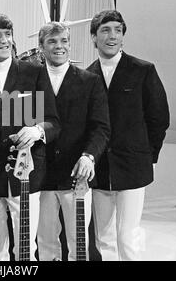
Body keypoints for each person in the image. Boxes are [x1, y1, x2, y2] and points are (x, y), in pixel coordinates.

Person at [86, 10, 170, 261]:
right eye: (105, 30)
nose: (112, 36)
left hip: (133, 166)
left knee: (127, 237)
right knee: (103, 238)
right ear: (94, 37)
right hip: (100, 170)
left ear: (123, 36)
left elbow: (159, 119)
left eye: (118, 30)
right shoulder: (86, 76)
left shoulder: (143, 70)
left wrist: (147, 155)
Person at [0, 13, 60, 261]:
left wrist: (37, 131)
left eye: (7, 34)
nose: (4, 40)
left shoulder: (34, 73)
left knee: (26, 252)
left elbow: (54, 122)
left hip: (27, 176)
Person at [36, 22, 110, 261]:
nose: (59, 46)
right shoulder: (31, 80)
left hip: (76, 176)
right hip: (40, 176)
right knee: (45, 243)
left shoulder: (90, 81)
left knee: (80, 245)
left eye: (64, 41)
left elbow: (101, 128)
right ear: (41, 47)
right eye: (52, 41)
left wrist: (89, 157)